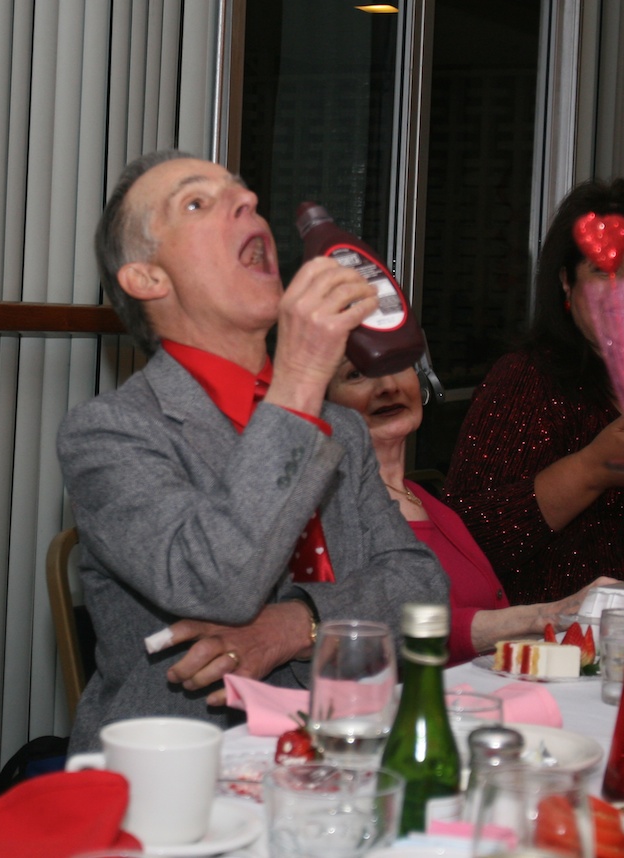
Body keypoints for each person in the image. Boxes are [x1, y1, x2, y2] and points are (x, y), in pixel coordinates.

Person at [57, 150, 448, 752]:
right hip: (184, 766)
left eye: (242, 192)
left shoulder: (341, 429)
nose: (249, 202)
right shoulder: (110, 433)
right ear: (148, 278)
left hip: (349, 746)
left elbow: (423, 587)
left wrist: (300, 623)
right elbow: (214, 583)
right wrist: (301, 376)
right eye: (197, 203)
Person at [443, 178, 624, 605]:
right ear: (568, 285)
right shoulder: (526, 379)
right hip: (550, 636)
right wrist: (590, 469)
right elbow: (463, 545)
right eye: (602, 270)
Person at [326, 360, 604, 664]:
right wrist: (546, 616)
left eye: (399, 365)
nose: (388, 386)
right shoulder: (329, 512)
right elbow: (367, 631)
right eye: (356, 374)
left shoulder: (424, 499)